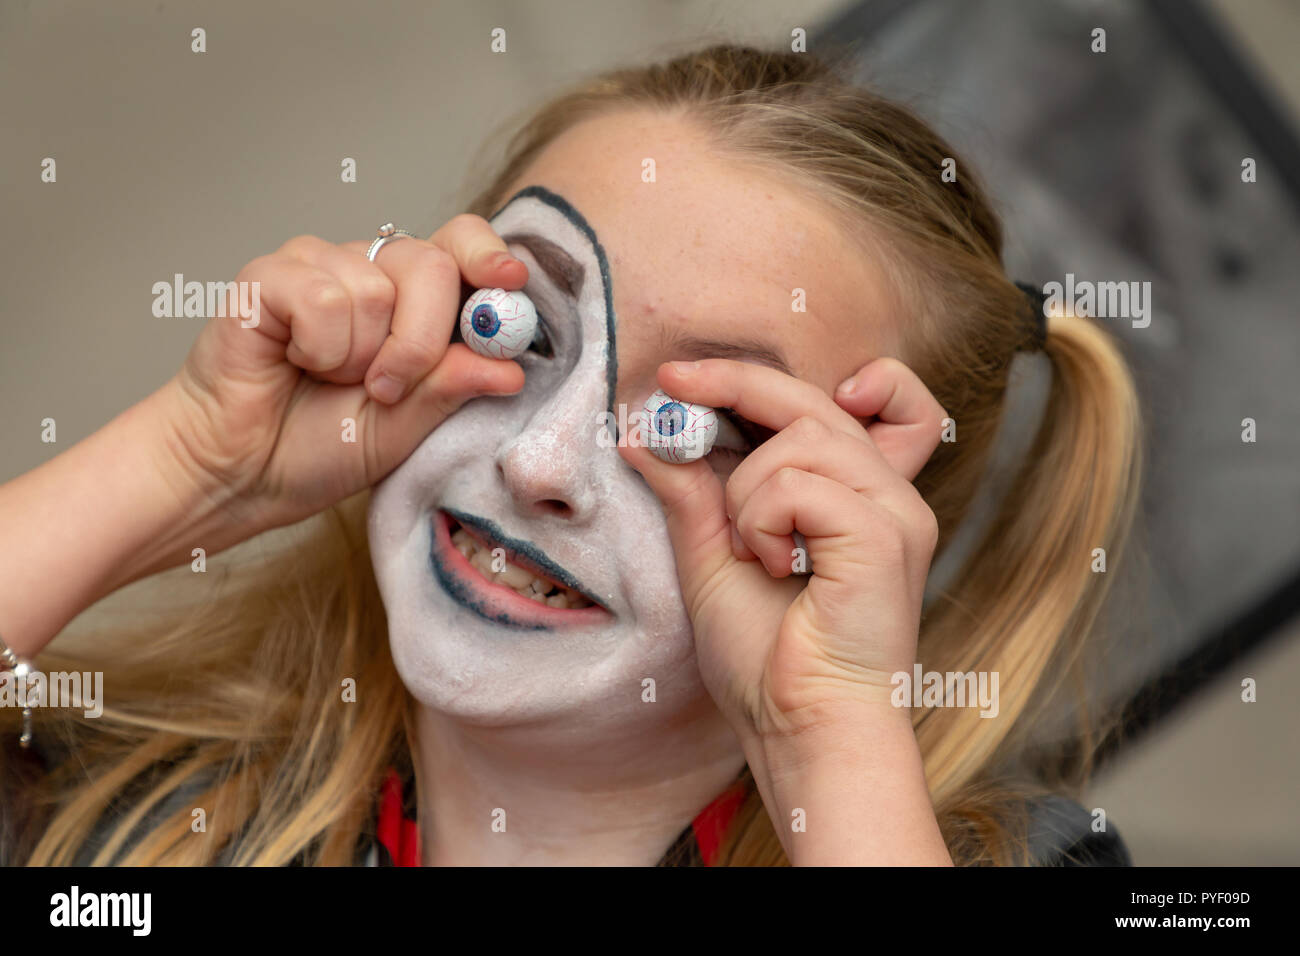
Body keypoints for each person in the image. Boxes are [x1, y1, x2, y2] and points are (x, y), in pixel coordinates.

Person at [0, 44, 1141, 866]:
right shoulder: (120, 825)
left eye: (695, 425)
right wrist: (191, 466)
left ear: (854, 541)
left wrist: (828, 737)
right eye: (518, 328)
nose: (539, 463)